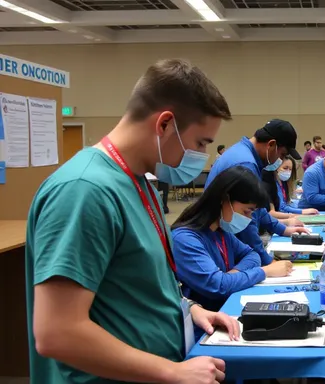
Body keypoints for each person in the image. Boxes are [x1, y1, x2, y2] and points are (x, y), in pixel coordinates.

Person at [25, 59, 240, 384]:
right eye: (200, 143)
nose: (201, 155)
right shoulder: (84, 190)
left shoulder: (139, 182)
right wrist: (173, 372)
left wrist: (190, 310)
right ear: (165, 124)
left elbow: (135, 282)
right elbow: (57, 332)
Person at [172, 166, 293, 314]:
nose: (249, 219)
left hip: (225, 309)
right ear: (224, 199)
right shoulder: (185, 239)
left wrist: (231, 276)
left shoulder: (220, 231)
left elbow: (252, 255)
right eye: (246, 211)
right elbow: (218, 286)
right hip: (204, 326)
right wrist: (264, 271)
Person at [206, 119, 309, 265]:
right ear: (271, 144)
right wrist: (267, 262)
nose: (281, 160)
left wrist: (284, 230)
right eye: (282, 155)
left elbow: (257, 210)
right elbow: (249, 219)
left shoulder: (245, 154)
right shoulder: (246, 164)